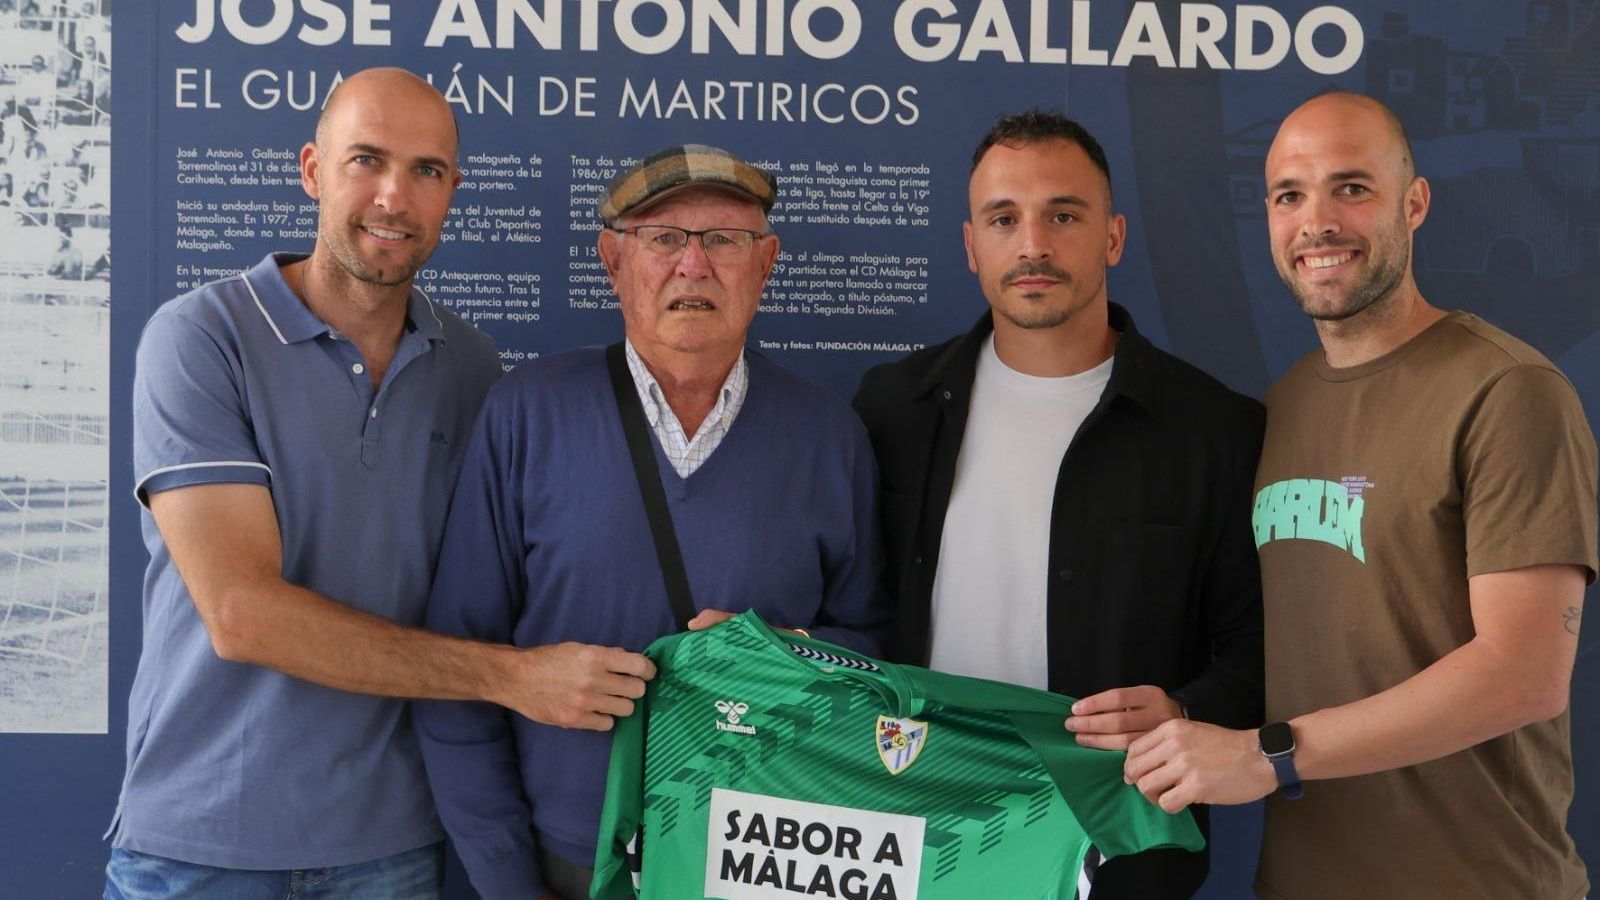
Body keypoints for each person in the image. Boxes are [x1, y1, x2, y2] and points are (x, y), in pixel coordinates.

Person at [108, 68, 654, 899]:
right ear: (312, 169)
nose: (394, 197)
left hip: (393, 848)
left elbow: (505, 577)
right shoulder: (201, 338)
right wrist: (513, 677)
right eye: (366, 160)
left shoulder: (469, 366)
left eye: (427, 171)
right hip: (202, 843)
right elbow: (242, 614)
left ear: (453, 191)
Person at [1122, 92, 1597, 900]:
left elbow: (1524, 673)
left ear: (1414, 203)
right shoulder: (1281, 408)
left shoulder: (1509, 392)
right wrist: (1184, 713)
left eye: (1352, 188)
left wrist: (1268, 755)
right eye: (1289, 196)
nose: (1317, 222)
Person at [417, 144, 892, 900]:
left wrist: (785, 657)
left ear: (765, 263)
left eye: (725, 240)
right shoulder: (527, 415)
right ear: (614, 261)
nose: (693, 266)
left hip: (759, 863)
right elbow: (455, 671)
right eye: (663, 238)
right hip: (561, 864)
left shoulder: (830, 437)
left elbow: (875, 653)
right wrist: (509, 881)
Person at [852, 110, 1265, 899]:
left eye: (1062, 216)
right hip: (919, 834)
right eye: (1004, 219)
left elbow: (1261, 648)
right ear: (972, 246)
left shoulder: (1216, 426)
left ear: (1112, 238)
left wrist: (1186, 707)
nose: (1033, 244)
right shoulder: (892, 407)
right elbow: (850, 605)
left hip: (1118, 846)